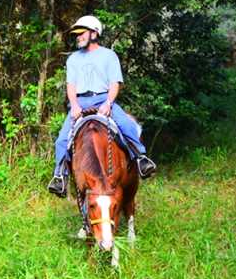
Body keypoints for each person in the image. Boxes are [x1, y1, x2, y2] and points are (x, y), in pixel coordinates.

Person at [47, 15, 157, 198]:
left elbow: (115, 83)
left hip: (103, 98)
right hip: (80, 101)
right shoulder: (73, 59)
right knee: (61, 140)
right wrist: (74, 105)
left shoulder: (109, 55)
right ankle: (59, 176)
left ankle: (141, 159)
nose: (78, 37)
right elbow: (71, 86)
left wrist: (108, 103)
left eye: (81, 33)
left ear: (94, 33)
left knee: (127, 125)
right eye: (77, 34)